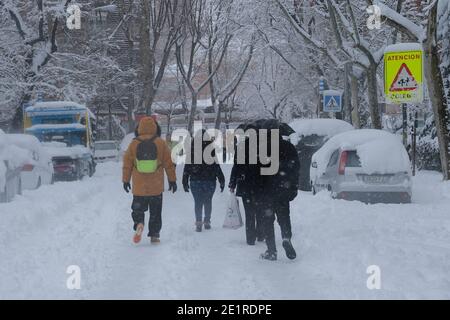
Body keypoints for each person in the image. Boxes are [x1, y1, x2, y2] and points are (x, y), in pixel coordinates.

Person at [123, 116, 177, 244]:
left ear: (139, 128)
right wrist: (172, 180)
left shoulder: (134, 143)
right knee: (155, 212)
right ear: (155, 128)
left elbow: (127, 164)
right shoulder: (160, 143)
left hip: (139, 187)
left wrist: (125, 180)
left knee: (138, 209)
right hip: (156, 187)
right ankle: (154, 235)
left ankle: (139, 223)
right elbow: (168, 164)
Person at [260, 135, 300, 261]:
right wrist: (293, 185)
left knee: (267, 220)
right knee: (284, 217)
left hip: (266, 191)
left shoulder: (263, 148)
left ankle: (271, 251)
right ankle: (286, 238)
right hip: (283, 189)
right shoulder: (289, 147)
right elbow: (296, 168)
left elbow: (256, 171)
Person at [183, 130, 225, 232]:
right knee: (208, 201)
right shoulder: (210, 149)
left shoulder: (192, 150)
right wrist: (221, 179)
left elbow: (187, 167)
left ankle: (198, 222)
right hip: (209, 180)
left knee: (198, 202)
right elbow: (216, 166)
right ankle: (207, 221)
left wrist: (185, 181)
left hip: (195, 180)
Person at [229, 130, 265, 245]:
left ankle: (250, 238)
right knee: (260, 212)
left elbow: (236, 167)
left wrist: (232, 183)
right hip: (260, 186)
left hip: (246, 186)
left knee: (249, 213)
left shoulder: (242, 147)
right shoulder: (263, 148)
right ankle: (260, 234)